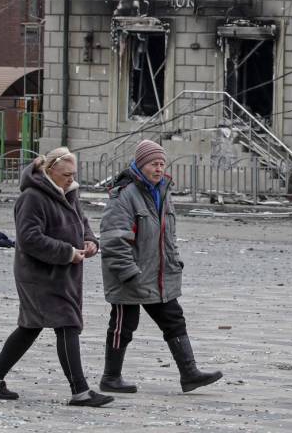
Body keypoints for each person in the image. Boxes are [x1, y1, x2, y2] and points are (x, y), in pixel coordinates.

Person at [0, 147, 114, 407]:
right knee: (67, 324)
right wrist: (67, 252)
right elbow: (29, 239)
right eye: (65, 175)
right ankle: (80, 391)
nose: (71, 180)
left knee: (31, 326)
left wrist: (89, 240)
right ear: (49, 171)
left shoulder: (68, 191)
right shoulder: (32, 197)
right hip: (39, 275)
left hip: (63, 272)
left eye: (73, 175)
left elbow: (80, 220)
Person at [98, 140, 222, 394]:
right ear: (141, 165)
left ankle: (190, 374)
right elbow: (113, 239)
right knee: (124, 324)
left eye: (162, 163)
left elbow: (168, 235)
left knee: (174, 319)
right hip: (130, 275)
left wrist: (174, 261)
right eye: (153, 164)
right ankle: (111, 377)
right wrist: (128, 272)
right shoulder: (124, 194)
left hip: (160, 273)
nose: (158, 168)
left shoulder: (163, 191)